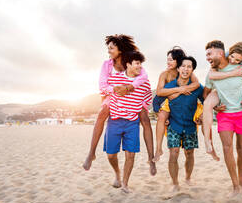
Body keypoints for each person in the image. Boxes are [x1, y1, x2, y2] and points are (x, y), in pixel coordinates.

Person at [83, 35, 156, 176]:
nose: (108, 51)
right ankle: (91, 153)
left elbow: (143, 77)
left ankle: (150, 159)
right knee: (102, 112)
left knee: (145, 119)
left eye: (111, 48)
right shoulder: (107, 65)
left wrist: (129, 87)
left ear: (120, 49)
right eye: (108, 48)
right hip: (113, 95)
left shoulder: (132, 61)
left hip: (133, 94)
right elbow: (103, 85)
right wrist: (116, 91)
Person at [203, 40, 242, 196]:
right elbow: (205, 94)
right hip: (225, 115)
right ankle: (235, 186)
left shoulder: (240, 67)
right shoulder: (211, 74)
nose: (207, 58)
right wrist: (214, 106)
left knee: (241, 149)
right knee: (227, 148)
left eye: (209, 54)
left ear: (220, 53)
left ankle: (241, 181)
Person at [104, 50, 152, 193]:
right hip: (115, 120)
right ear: (128, 64)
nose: (140, 67)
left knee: (130, 154)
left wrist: (138, 106)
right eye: (137, 63)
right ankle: (117, 173)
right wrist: (113, 90)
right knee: (111, 154)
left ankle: (125, 184)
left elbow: (147, 99)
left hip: (132, 122)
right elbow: (104, 88)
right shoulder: (115, 78)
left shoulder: (144, 83)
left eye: (140, 64)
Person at [152, 47, 206, 162]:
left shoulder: (185, 72)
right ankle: (158, 148)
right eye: (167, 59)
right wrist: (180, 90)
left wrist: (182, 89)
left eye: (171, 59)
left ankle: (207, 143)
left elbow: (196, 84)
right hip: (164, 100)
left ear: (178, 61)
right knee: (162, 116)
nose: (168, 62)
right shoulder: (164, 74)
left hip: (183, 103)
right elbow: (159, 92)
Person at [163, 56, 204, 192]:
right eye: (183, 66)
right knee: (173, 153)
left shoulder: (197, 88)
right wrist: (162, 116)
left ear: (192, 70)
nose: (186, 69)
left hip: (190, 126)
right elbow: (157, 102)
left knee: (189, 153)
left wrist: (202, 116)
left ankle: (187, 178)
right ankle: (175, 183)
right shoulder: (169, 86)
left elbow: (207, 101)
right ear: (178, 68)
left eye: (189, 67)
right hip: (174, 125)